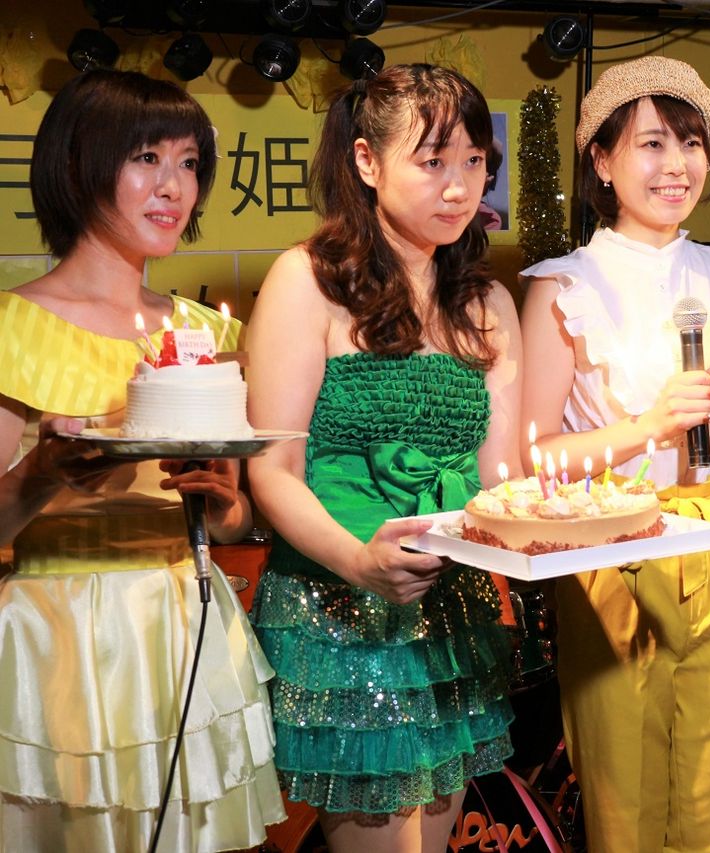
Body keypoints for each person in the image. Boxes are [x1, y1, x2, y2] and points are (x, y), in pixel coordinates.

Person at [0, 69, 284, 851]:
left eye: (189, 162)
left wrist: (224, 503)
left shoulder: (210, 335)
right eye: (147, 158)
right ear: (76, 165)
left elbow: (234, 519)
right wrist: (43, 474)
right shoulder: (15, 327)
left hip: (187, 624)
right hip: (59, 638)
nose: (174, 187)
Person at [245, 64, 522, 852]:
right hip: (337, 613)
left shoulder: (487, 302)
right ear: (366, 161)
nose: (459, 186)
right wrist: (359, 562)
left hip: (452, 614)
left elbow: (501, 480)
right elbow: (271, 470)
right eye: (432, 161)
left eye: (474, 161)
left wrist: (582, 529)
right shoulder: (306, 281)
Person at [519, 55, 710, 853]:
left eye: (691, 144)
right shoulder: (564, 286)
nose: (677, 165)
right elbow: (536, 458)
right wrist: (651, 424)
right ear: (602, 161)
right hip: (612, 546)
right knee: (622, 798)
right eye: (652, 144)